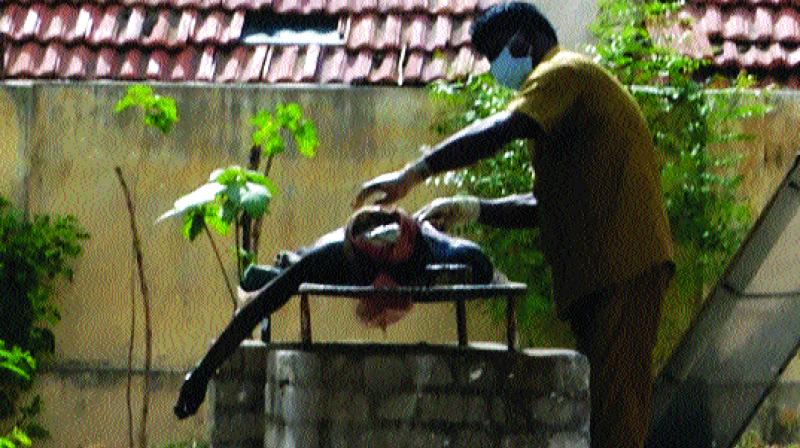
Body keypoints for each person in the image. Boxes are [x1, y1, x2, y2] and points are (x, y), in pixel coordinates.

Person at [351, 3, 676, 447]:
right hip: (608, 269)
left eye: (492, 55)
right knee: (604, 412)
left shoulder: (562, 72)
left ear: (522, 40)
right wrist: (472, 208)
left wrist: (416, 172)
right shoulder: (563, 104)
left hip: (622, 263)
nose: (493, 69)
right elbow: (544, 205)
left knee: (615, 419)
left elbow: (503, 128)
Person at [173, 206, 495, 419]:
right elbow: (260, 307)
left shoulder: (425, 245)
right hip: (320, 260)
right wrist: (202, 373)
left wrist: (421, 278)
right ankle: (281, 267)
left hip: (416, 266)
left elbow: (479, 263)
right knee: (273, 277)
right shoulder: (337, 257)